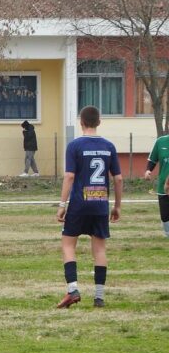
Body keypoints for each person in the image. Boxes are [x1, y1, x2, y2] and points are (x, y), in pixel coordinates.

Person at [55, 106, 122, 309]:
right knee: (99, 249)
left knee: (68, 245)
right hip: (101, 204)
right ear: (99, 122)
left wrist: (61, 205)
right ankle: (99, 297)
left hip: (79, 203)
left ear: (81, 122)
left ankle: (73, 290)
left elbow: (70, 176)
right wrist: (117, 206)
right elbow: (118, 179)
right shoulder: (109, 146)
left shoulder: (74, 146)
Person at [143, 132, 169, 238]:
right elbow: (153, 160)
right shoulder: (160, 141)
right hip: (163, 186)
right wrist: (148, 170)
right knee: (165, 215)